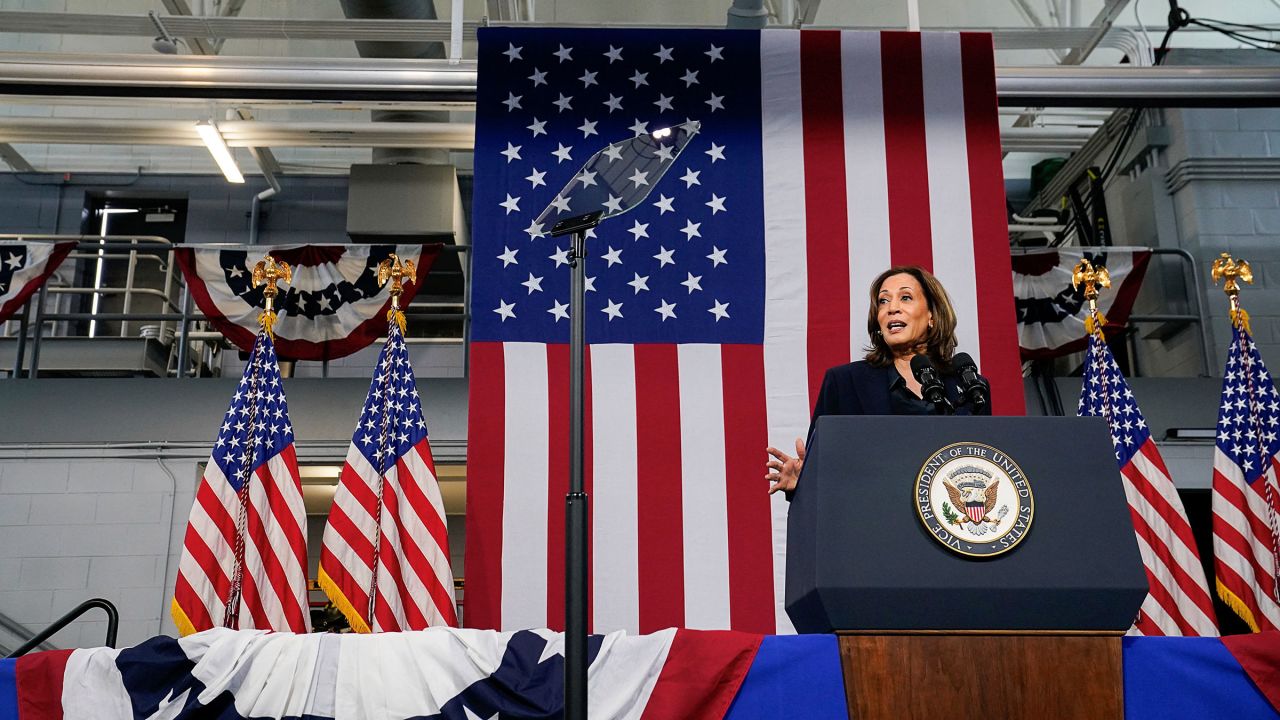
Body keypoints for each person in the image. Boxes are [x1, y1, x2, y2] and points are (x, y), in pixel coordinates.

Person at [766, 265, 990, 496]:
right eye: (883, 302)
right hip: (872, 517)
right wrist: (802, 480)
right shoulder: (845, 382)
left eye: (905, 297)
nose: (892, 308)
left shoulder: (969, 387)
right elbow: (823, 467)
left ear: (932, 315)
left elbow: (984, 466)